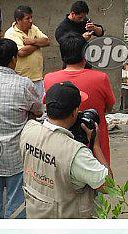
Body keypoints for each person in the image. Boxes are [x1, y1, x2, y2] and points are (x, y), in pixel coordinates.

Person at [0, 38, 42, 219]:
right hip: (16, 154)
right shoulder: (24, 84)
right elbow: (38, 110)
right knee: (17, 206)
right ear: (14, 59)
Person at [20, 82, 109, 218]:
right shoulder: (76, 154)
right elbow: (108, 186)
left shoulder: (29, 129)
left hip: (35, 214)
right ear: (74, 112)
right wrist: (96, 145)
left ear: (47, 107)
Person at [43, 34, 116, 167]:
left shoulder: (49, 79)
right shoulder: (101, 78)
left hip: (61, 142)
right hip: (94, 140)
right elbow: (109, 107)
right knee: (102, 175)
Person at [3, 5, 51, 96]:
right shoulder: (10, 33)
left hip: (37, 77)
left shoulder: (33, 28)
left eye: (31, 17)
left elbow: (47, 41)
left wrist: (32, 41)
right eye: (27, 19)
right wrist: (38, 44)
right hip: (21, 78)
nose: (31, 21)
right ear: (18, 20)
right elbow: (22, 52)